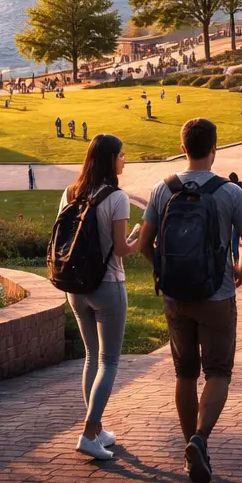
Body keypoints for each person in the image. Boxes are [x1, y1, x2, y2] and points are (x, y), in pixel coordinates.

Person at [138, 118, 242, 483]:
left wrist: (164, 271)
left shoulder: (163, 189)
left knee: (185, 373)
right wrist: (239, 268)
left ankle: (191, 450)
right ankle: (200, 439)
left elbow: (145, 244)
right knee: (219, 372)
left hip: (176, 297)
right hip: (217, 294)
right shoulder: (230, 192)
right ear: (214, 148)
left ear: (183, 146)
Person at [59, 134, 140, 461]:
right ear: (110, 160)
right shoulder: (117, 197)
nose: (124, 161)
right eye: (122, 155)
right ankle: (90, 433)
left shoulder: (70, 192)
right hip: (108, 286)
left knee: (92, 357)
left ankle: (99, 428)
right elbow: (121, 250)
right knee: (108, 361)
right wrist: (138, 239)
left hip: (75, 288)